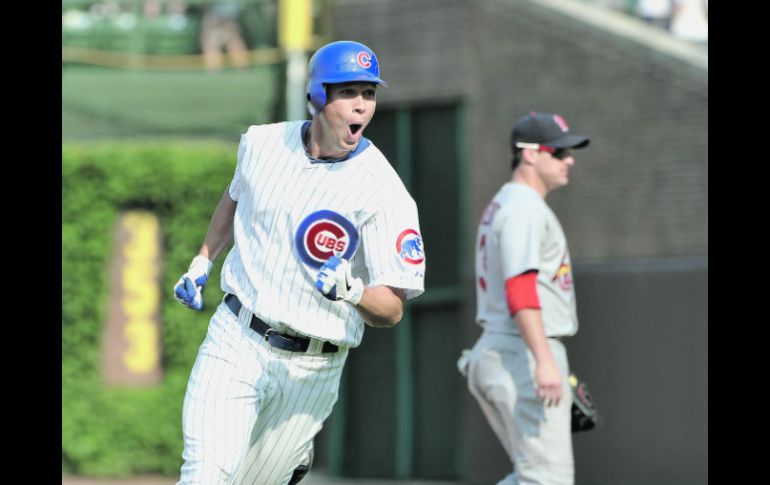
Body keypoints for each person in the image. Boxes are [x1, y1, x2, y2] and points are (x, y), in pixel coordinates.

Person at [172, 40, 426, 485]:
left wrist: (355, 291)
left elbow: (393, 308)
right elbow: (234, 200)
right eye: (348, 92)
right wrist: (203, 260)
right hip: (237, 338)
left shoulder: (386, 192)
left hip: (312, 366)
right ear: (317, 95)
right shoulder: (262, 143)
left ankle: (291, 459)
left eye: (369, 94)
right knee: (205, 474)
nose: (361, 106)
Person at [457, 112, 590, 485]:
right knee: (547, 479)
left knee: (530, 476)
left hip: (507, 348)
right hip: (522, 351)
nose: (569, 159)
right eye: (560, 152)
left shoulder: (507, 204)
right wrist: (544, 361)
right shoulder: (523, 208)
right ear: (530, 154)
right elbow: (520, 288)